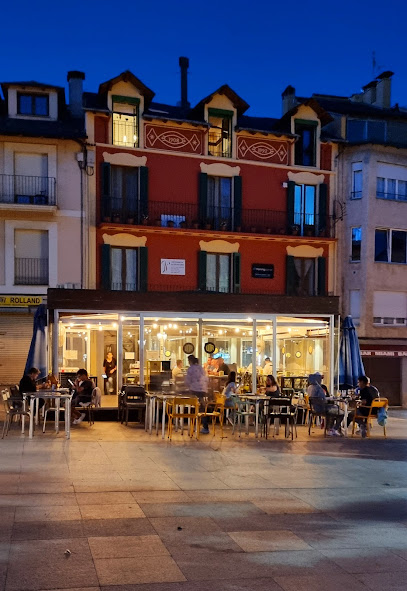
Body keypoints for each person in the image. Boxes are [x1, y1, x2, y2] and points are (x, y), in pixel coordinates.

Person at [185, 355, 210, 434]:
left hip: (194, 390)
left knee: (194, 408)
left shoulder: (190, 369)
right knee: (202, 408)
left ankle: (194, 425)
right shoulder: (201, 368)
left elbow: (188, 381)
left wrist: (185, 386)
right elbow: (206, 378)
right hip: (203, 390)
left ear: (190, 361)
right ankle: (204, 426)